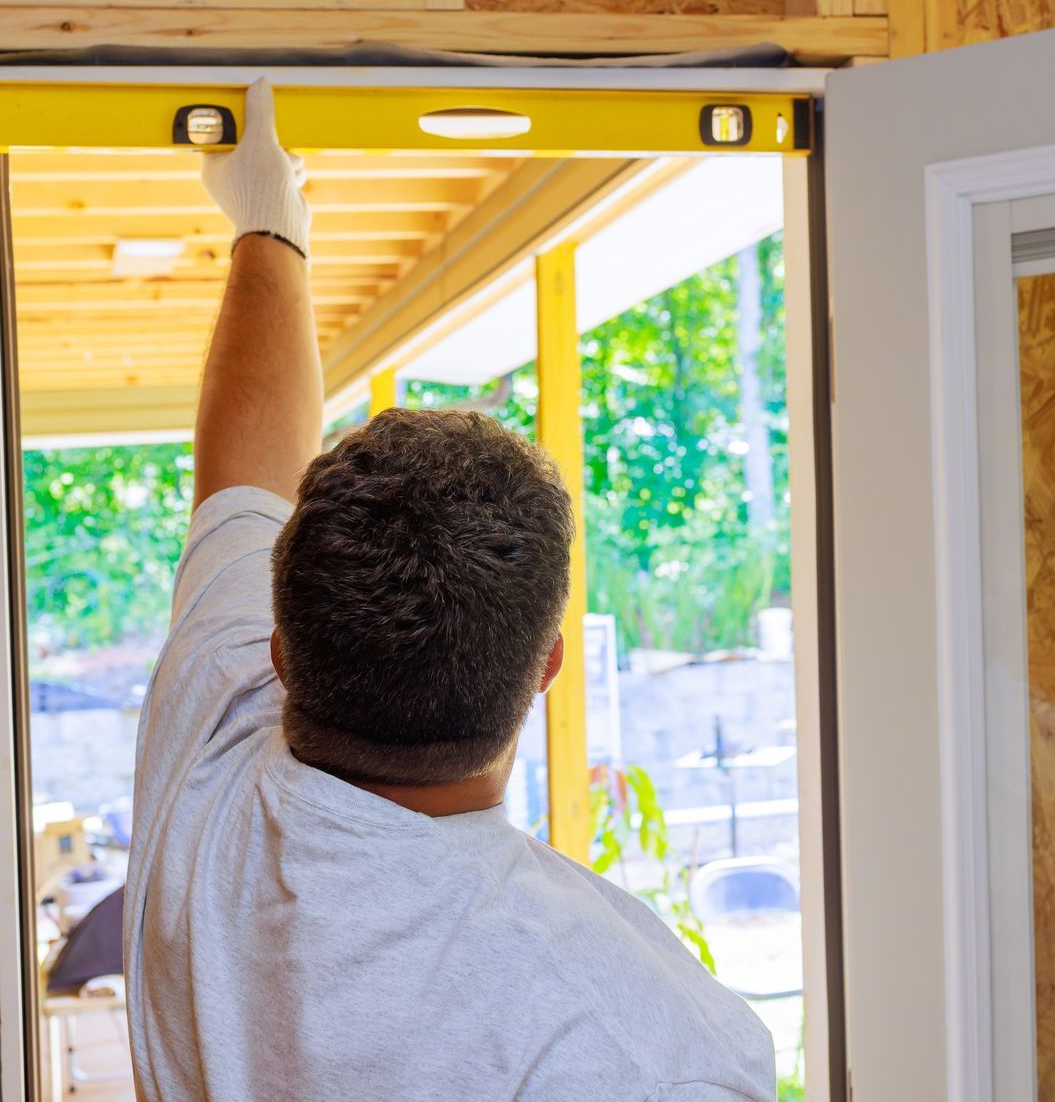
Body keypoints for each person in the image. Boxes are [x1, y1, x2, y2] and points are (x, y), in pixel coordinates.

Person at [123, 82, 776, 1102]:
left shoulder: (210, 758)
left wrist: (268, 226)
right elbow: (246, 489)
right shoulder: (629, 1032)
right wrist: (270, 225)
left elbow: (242, 482)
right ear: (548, 668)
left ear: (281, 651)